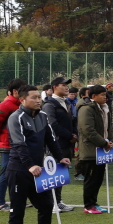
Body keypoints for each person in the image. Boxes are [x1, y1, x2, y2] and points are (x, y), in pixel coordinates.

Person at [5, 85, 71, 224]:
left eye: (38, 97)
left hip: (39, 171)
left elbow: (50, 140)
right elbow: (19, 145)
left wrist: (60, 157)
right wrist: (30, 165)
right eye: (33, 98)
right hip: (19, 170)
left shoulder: (42, 116)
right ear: (22, 100)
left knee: (47, 204)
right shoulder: (16, 117)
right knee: (18, 208)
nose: (38, 101)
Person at [0, 78, 27, 212]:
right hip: (7, 146)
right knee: (6, 174)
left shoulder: (22, 104)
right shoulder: (5, 105)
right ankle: (1, 202)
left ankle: (18, 200)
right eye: (23, 90)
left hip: (20, 145)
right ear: (15, 91)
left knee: (21, 174)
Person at [40, 77, 76, 212]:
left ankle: (58, 201)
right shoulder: (49, 104)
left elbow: (72, 121)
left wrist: (74, 134)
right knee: (52, 174)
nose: (67, 87)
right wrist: (69, 135)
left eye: (67, 85)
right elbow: (52, 124)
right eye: (63, 85)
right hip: (55, 144)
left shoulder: (66, 102)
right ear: (54, 87)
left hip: (66, 143)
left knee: (61, 174)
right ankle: (51, 202)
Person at [78, 85, 113, 214]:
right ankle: (88, 205)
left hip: (102, 149)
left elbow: (109, 128)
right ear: (93, 96)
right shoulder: (86, 109)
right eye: (103, 95)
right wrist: (104, 143)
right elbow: (88, 130)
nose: (106, 97)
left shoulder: (104, 108)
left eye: (106, 95)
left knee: (98, 178)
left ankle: (94, 203)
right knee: (91, 179)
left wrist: (111, 140)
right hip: (91, 150)